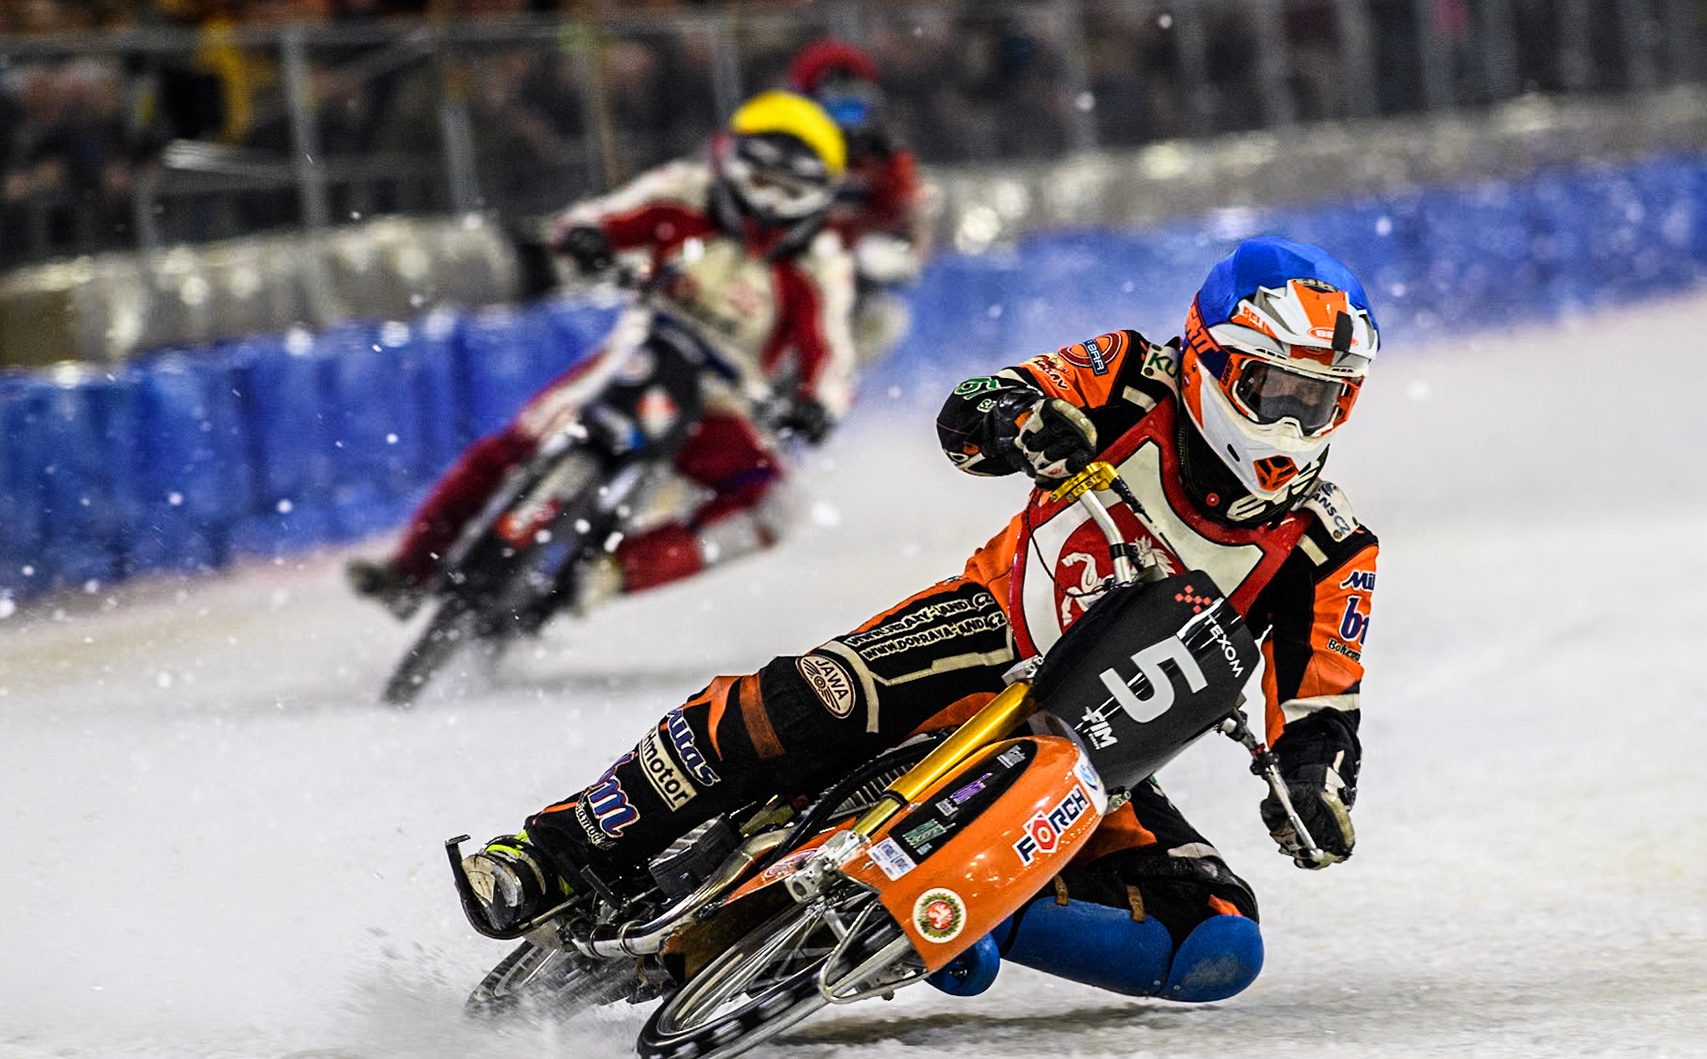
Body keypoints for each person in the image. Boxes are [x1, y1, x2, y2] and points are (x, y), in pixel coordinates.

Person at [459, 236, 1381, 1007]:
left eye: (1325, 398)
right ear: (1212, 362)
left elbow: (1322, 712)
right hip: (986, 631)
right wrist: (1026, 421)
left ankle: (959, 905)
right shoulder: (1132, 376)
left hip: (1097, 750)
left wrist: (1315, 790)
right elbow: (974, 410)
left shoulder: (1333, 547)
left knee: (1217, 943)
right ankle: (554, 851)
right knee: (802, 703)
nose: (1299, 422)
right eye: (1279, 391)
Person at [349, 89, 857, 616]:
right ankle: (410, 570)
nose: (769, 202)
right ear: (731, 160)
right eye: (761, 179)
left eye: (787, 188)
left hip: (722, 399)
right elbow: (590, 221)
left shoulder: (819, 265)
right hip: (641, 350)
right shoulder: (682, 192)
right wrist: (583, 239)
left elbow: (830, 356)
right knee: (518, 442)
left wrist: (818, 406)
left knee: (778, 505)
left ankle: (611, 575)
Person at [786, 38, 928, 365]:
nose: (848, 118)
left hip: (853, 281)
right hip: (791, 273)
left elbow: (911, 221)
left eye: (857, 105)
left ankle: (831, 385)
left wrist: (896, 255)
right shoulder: (787, 147)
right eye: (837, 106)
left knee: (885, 319)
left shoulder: (886, 157)